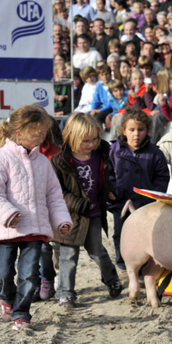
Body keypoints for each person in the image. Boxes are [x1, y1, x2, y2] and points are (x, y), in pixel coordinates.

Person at [0, 106, 72, 330]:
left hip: (35, 229)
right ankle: (7, 298)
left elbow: (54, 194)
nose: (43, 137)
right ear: (19, 133)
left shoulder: (43, 162)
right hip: (8, 230)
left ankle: (21, 313)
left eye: (44, 133)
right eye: (38, 133)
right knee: (2, 273)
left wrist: (62, 220)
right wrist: (8, 214)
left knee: (29, 275)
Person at [50, 111, 122, 309]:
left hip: (94, 215)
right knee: (67, 256)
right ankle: (65, 293)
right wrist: (78, 204)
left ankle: (112, 279)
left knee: (97, 251)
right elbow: (57, 191)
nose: (92, 144)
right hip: (67, 216)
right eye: (86, 141)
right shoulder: (59, 161)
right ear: (72, 138)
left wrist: (109, 191)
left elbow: (107, 178)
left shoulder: (103, 154)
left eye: (95, 139)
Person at [108, 109, 170, 270]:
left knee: (143, 234)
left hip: (144, 203)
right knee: (119, 233)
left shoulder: (155, 153)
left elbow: (162, 176)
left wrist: (152, 194)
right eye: (132, 129)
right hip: (120, 201)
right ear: (123, 130)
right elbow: (107, 173)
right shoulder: (114, 150)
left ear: (147, 130)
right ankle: (122, 262)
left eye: (140, 129)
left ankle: (142, 266)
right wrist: (112, 191)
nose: (136, 134)